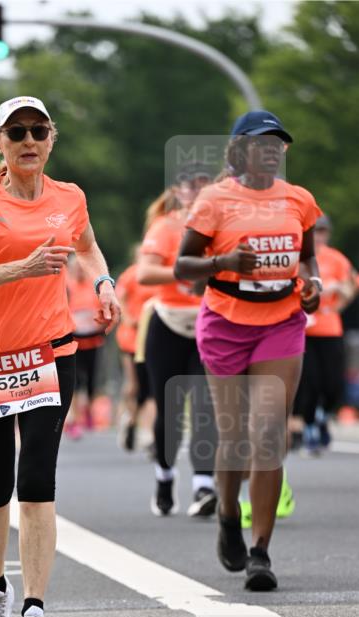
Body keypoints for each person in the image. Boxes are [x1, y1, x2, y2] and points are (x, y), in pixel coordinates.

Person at [0, 95, 120, 617]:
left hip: (50, 353)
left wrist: (104, 283)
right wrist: (22, 267)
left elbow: (87, 247)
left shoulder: (69, 198)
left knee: (37, 476)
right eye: (15, 132)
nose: (27, 141)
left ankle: (35, 614)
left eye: (37, 131)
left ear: (51, 138)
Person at [175, 110, 322, 590]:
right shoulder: (215, 200)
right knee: (234, 436)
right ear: (238, 152)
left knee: (267, 434)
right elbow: (183, 266)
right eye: (261, 143)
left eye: (278, 144)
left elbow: (306, 255)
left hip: (281, 321)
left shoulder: (298, 199)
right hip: (225, 322)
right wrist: (225, 260)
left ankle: (260, 550)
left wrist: (313, 283)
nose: (271, 151)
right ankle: (225, 511)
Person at [138, 165, 218, 517]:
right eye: (192, 185)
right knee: (169, 410)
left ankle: (204, 487)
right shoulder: (166, 227)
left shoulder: (221, 226)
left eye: (205, 185)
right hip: (168, 322)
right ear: (178, 190)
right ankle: (164, 477)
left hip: (209, 322)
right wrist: (187, 270)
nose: (198, 191)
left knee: (206, 406)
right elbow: (145, 273)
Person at [295, 214, 357, 454]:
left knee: (333, 383)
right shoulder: (300, 256)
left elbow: (351, 283)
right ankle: (309, 424)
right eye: (315, 233)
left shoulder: (335, 258)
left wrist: (340, 297)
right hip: (305, 327)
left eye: (323, 233)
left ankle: (322, 415)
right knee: (310, 380)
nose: (319, 237)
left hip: (330, 327)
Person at [115, 244, 155, 451]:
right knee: (134, 387)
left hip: (152, 339)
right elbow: (119, 298)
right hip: (131, 339)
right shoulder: (130, 275)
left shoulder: (157, 275)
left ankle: (147, 432)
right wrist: (129, 318)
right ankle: (129, 420)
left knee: (151, 388)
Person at [65, 254, 107, 438]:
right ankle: (73, 419)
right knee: (73, 382)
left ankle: (88, 410)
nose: (80, 271)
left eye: (82, 268)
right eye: (77, 268)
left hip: (93, 340)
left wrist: (101, 324)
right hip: (73, 342)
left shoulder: (93, 286)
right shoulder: (66, 286)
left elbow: (105, 311)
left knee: (90, 381)